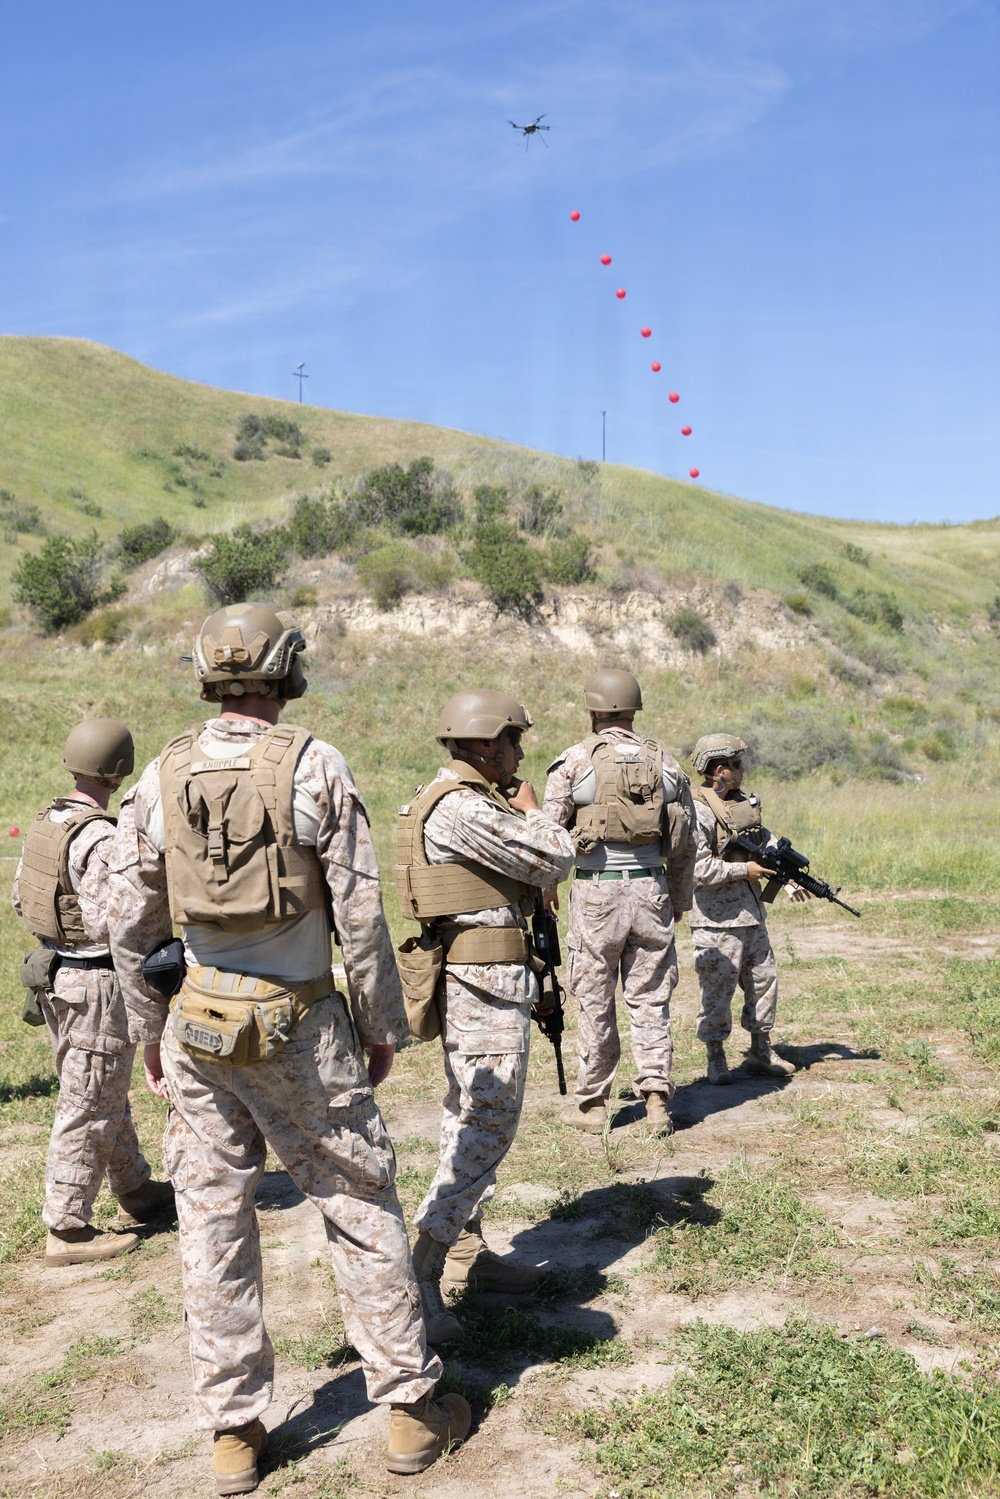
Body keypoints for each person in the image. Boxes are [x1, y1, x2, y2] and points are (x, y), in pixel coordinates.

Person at [106, 603, 469, 1496]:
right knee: (357, 1200)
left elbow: (128, 924)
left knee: (212, 1220)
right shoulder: (316, 766)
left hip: (198, 1026)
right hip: (302, 1025)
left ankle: (234, 1431)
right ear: (286, 673)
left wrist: (150, 1038)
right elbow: (359, 914)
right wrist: (377, 1024)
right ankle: (411, 1410)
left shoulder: (158, 776)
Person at [396, 690, 575, 1340]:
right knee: (487, 1121)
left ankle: (470, 1253)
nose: (521, 754)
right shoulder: (463, 807)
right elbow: (557, 855)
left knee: (468, 1115)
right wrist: (535, 814)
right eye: (513, 742)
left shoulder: (459, 801)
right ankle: (423, 1264)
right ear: (485, 743)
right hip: (484, 983)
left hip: (485, 977)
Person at [11, 719, 174, 1268]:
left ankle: (137, 1190)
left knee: (104, 1092)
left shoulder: (47, 822)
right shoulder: (100, 837)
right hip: (98, 983)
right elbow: (115, 921)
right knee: (88, 1106)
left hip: (57, 976)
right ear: (120, 770)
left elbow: (22, 900)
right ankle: (67, 1226)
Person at [542, 669, 696, 1136]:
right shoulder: (666, 763)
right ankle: (655, 1102)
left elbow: (548, 834)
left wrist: (547, 886)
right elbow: (687, 838)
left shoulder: (574, 761)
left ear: (593, 711)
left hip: (596, 890)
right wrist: (679, 898)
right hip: (652, 888)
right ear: (633, 709)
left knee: (593, 996)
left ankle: (592, 1106)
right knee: (651, 998)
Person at [689, 733, 801, 1085]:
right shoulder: (699, 811)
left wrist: (788, 876)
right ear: (719, 769)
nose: (742, 770)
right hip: (716, 921)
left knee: (764, 983)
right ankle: (716, 1057)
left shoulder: (743, 804)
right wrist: (744, 870)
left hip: (751, 915)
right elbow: (697, 869)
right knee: (717, 992)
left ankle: (760, 1050)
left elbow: (763, 840)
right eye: (736, 764)